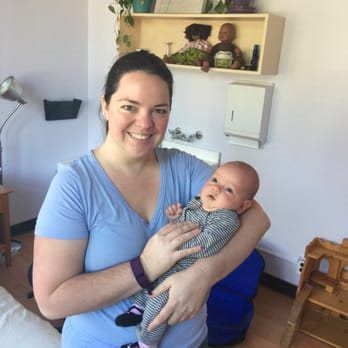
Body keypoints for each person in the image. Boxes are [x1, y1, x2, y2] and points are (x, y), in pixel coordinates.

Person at [33, 50, 270, 348]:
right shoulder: (74, 186)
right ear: (106, 106)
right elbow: (52, 302)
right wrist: (144, 266)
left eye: (159, 110)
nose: (145, 123)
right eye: (129, 106)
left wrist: (203, 275)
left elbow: (257, 218)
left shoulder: (183, 167)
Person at [116, 161, 259, 348]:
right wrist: (174, 218)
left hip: (183, 268)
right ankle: (138, 309)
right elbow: (182, 221)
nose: (216, 188)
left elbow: (207, 244)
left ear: (242, 206)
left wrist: (172, 244)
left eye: (229, 190)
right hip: (169, 259)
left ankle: (146, 343)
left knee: (159, 305)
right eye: (215, 180)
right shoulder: (198, 202)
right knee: (146, 281)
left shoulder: (227, 220)